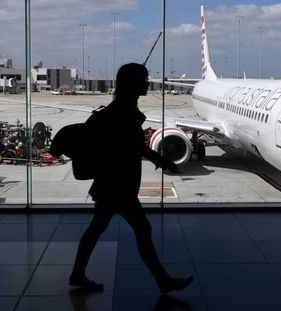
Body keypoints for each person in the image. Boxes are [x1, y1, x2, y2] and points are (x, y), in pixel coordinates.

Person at [69, 63, 193, 294]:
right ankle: (163, 281)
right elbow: (134, 147)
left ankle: (77, 273)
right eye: (144, 79)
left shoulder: (119, 112)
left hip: (112, 184)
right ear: (133, 84)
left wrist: (159, 159)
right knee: (141, 229)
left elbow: (133, 147)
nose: (147, 83)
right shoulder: (123, 115)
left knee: (98, 227)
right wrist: (161, 160)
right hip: (118, 185)